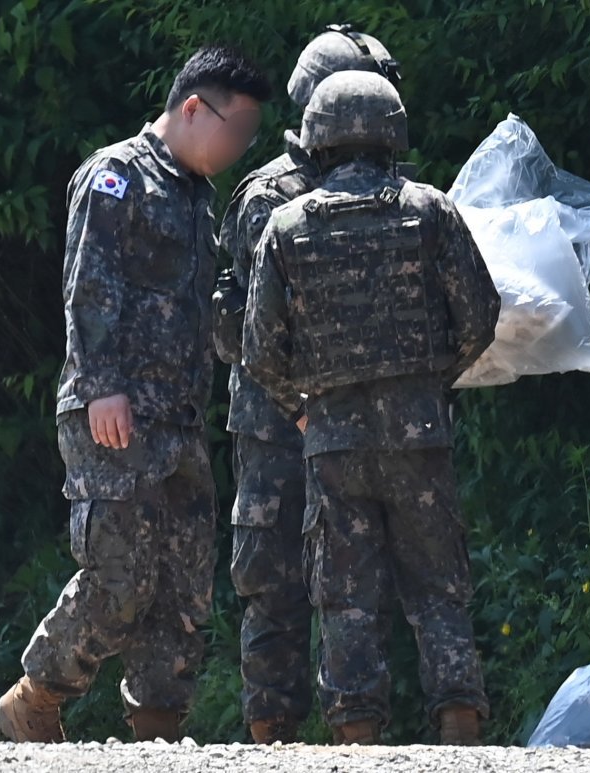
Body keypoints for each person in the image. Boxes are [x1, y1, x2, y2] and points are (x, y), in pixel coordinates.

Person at [0, 45, 271, 744]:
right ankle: (36, 695)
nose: (239, 149)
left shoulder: (195, 198)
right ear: (191, 109)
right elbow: (89, 284)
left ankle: (158, 729)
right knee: (119, 574)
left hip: (176, 421)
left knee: (182, 586)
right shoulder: (118, 177)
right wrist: (101, 387)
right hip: (113, 412)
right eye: (236, 131)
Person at [242, 70, 501, 745]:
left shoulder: (285, 225)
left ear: (317, 141)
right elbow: (479, 315)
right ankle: (458, 717)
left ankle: (355, 732)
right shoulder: (431, 210)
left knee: (346, 594)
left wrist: (303, 408)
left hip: (332, 440)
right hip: (419, 430)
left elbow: (259, 350)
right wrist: (431, 380)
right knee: (438, 582)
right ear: (393, 132)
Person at [212, 25, 402, 745]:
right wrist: (294, 399)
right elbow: (235, 318)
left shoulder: (384, 191)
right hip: (274, 423)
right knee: (274, 576)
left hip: (354, 421)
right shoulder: (270, 197)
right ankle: (273, 732)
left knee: (358, 572)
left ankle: (358, 728)